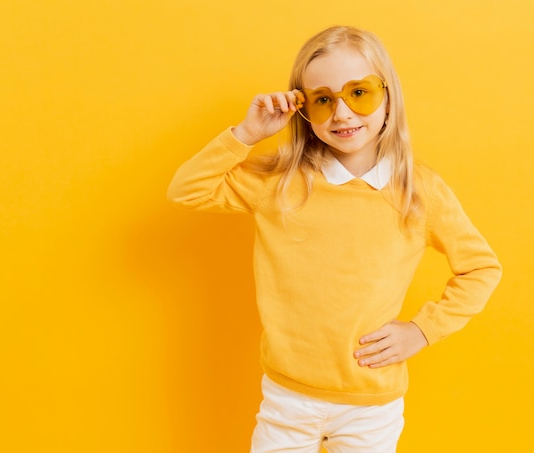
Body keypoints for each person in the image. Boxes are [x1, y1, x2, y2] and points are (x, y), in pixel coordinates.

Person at [166, 25, 501, 453]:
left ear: (388, 98)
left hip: (371, 405)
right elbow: (185, 190)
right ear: (303, 109)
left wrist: (422, 330)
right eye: (323, 100)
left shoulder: (419, 190)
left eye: (358, 94)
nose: (342, 114)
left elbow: (481, 268)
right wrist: (246, 134)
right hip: (286, 398)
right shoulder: (278, 180)